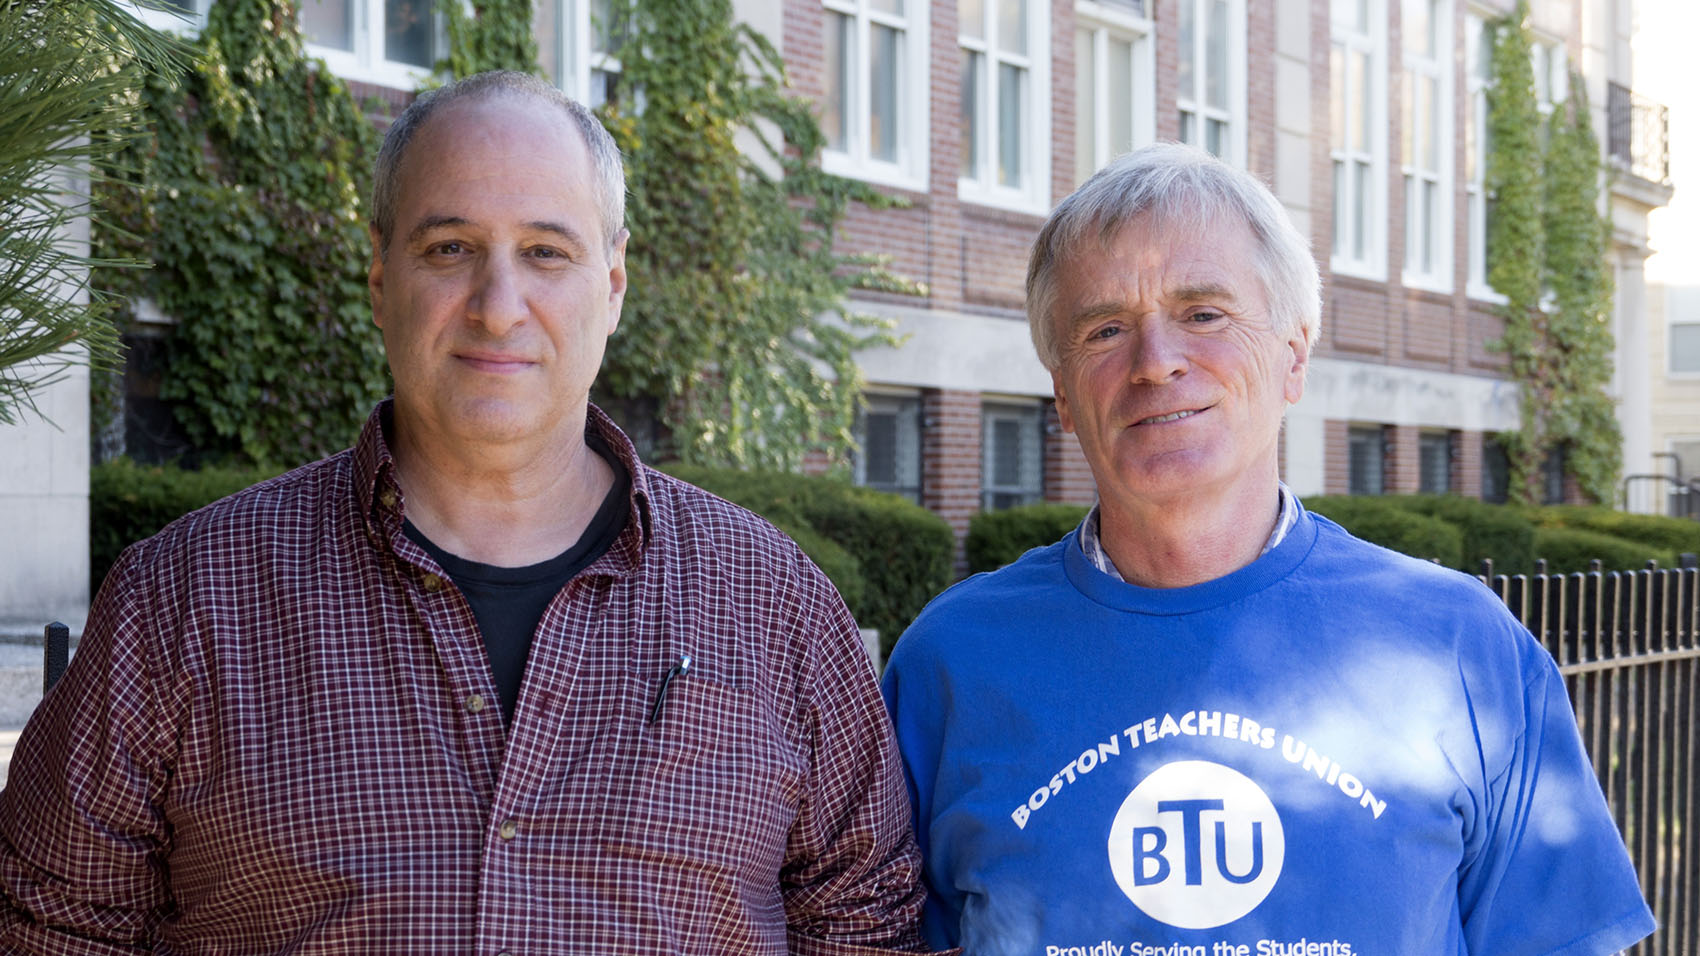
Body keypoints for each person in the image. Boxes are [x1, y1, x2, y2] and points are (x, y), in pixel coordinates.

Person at [0, 70, 945, 955]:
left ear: (612, 284)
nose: (499, 306)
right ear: (381, 279)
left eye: (545, 251)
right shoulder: (185, 601)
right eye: (449, 249)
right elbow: (54, 922)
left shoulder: (774, 606)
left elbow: (862, 923)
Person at [881, 143, 1655, 956]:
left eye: (1204, 313)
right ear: (1064, 395)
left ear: (1294, 356)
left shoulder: (1459, 648)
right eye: (1106, 329)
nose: (1157, 362)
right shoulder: (953, 663)